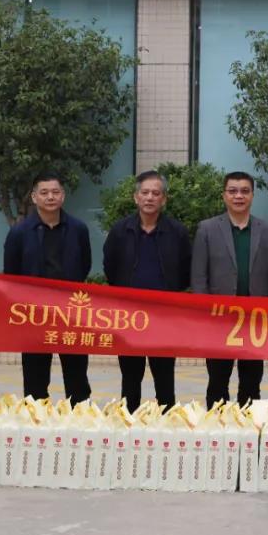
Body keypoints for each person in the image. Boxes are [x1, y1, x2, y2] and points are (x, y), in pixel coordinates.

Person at [193, 171, 268, 407]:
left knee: (251, 383)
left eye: (245, 191)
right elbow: (199, 278)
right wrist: (204, 314)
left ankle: (249, 426)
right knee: (217, 383)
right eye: (232, 191)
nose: (238, 196)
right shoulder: (207, 229)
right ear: (224, 195)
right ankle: (218, 427)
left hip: (255, 322)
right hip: (219, 320)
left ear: (252, 195)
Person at [104, 169, 191, 412]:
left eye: (156, 193)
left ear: (164, 199)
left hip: (164, 316)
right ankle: (129, 422)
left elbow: (186, 269)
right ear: (136, 197)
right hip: (128, 316)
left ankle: (166, 423)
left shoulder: (177, 232)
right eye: (145, 193)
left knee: (164, 378)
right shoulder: (120, 231)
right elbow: (110, 266)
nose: (150, 197)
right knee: (130, 377)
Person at [3, 171, 92, 405]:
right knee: (35, 376)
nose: (50, 197)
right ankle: (37, 418)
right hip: (35, 314)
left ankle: (79, 417)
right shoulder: (19, 233)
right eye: (44, 192)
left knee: (77, 375)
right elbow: (11, 274)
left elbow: (85, 265)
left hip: (71, 313)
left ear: (63, 196)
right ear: (34, 197)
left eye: (55, 192)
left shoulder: (78, 229)